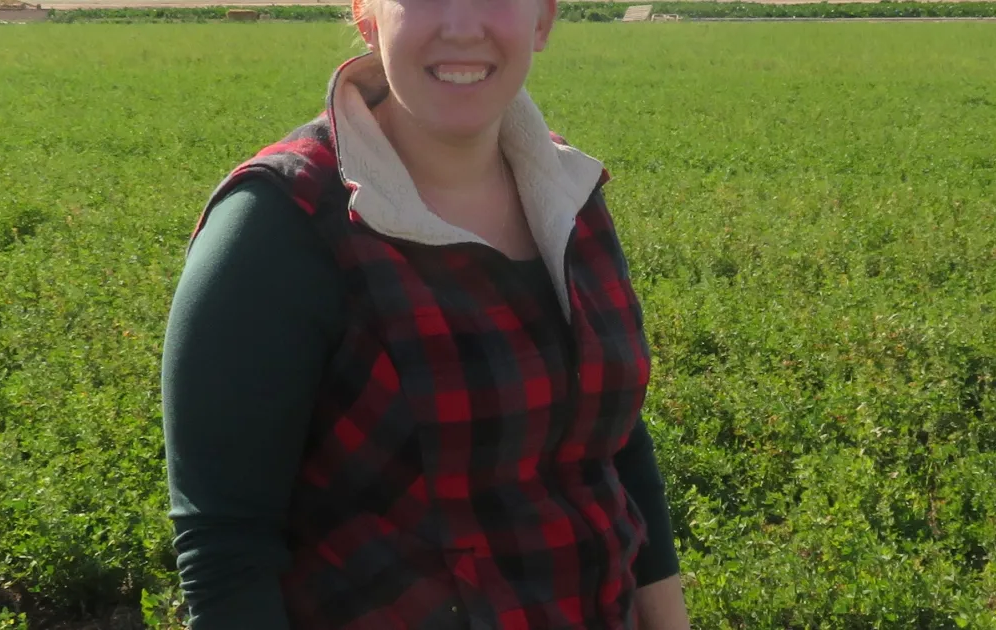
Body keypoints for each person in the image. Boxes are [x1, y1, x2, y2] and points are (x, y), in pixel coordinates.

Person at [160, 0, 692, 628]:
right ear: (367, 17)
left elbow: (614, 443)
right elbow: (228, 551)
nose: (462, 26)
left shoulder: (568, 190)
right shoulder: (278, 225)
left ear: (542, 20)